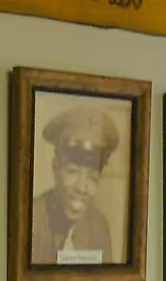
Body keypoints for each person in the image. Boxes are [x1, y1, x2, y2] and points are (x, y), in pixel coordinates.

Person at [30, 104, 118, 263]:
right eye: (72, 171)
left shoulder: (99, 228)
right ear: (56, 167)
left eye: (92, 178)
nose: (82, 188)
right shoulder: (31, 220)